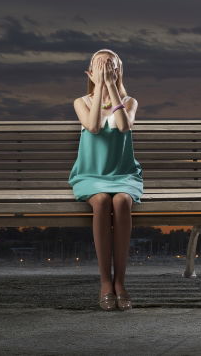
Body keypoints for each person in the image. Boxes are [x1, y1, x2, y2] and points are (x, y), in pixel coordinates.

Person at [68, 49, 143, 311]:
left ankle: (120, 282)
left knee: (121, 202)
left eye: (109, 67)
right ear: (89, 72)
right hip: (91, 174)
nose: (104, 71)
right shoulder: (82, 101)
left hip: (123, 174)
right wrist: (99, 85)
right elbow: (94, 126)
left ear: (119, 71)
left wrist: (111, 86)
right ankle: (104, 282)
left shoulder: (129, 101)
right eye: (98, 67)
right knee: (101, 202)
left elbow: (123, 125)